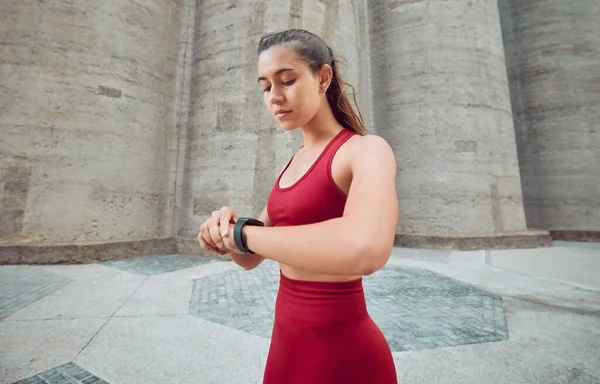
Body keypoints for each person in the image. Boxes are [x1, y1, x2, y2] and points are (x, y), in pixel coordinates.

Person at [197, 29, 398, 384]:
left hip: (343, 354)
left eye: (287, 80)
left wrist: (245, 235)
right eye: (265, 86)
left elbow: (367, 248)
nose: (274, 97)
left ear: (323, 78)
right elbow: (250, 258)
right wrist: (224, 233)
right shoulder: (292, 165)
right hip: (285, 350)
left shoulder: (365, 150)